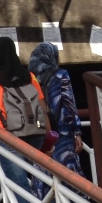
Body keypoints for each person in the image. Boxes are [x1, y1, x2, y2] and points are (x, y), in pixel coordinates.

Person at [0, 37, 50, 203]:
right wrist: (48, 137)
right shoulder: (30, 76)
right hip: (36, 134)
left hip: (9, 138)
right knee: (42, 179)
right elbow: (43, 108)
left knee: (19, 186)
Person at [28, 42, 83, 177]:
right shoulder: (61, 75)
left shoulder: (29, 78)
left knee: (43, 173)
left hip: (39, 131)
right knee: (67, 174)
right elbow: (69, 105)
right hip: (61, 132)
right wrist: (77, 132)